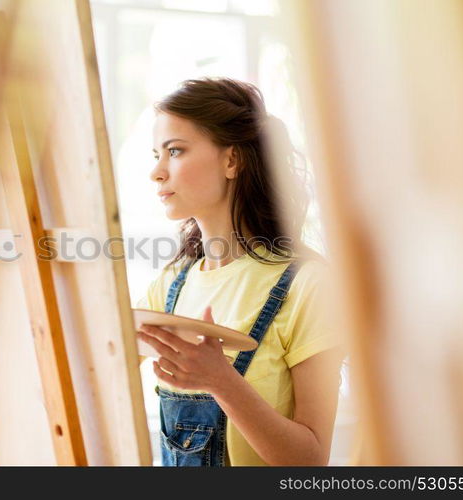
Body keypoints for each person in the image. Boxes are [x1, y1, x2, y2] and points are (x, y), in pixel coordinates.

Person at [136, 77, 346, 466]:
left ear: (232, 160)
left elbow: (310, 462)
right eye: (156, 155)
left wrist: (221, 381)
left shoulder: (308, 285)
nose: (157, 173)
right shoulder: (170, 284)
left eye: (175, 151)